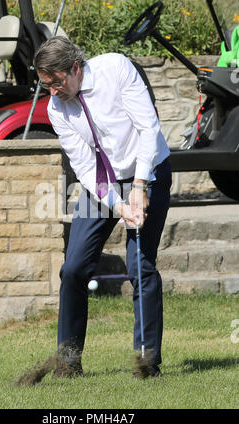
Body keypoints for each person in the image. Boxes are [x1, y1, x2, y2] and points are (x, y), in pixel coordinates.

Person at [33, 36, 171, 378]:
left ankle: (147, 362)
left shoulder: (115, 69)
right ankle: (67, 361)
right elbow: (84, 167)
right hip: (103, 186)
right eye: (45, 85)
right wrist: (119, 205)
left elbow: (148, 128)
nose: (52, 91)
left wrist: (140, 185)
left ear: (76, 67)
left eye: (56, 82)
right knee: (74, 267)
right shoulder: (56, 108)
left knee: (141, 266)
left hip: (148, 168)